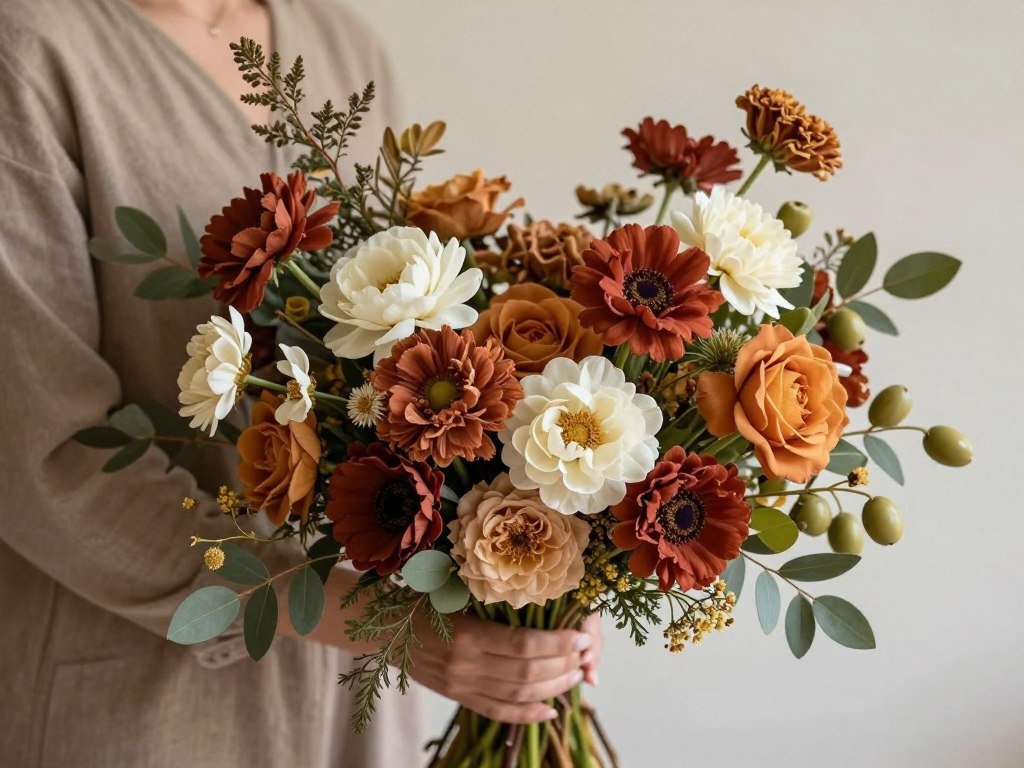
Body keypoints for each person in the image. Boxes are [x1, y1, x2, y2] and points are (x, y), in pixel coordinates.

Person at [0, 1, 601, 766]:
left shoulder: (342, 47)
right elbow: (41, 454)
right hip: (145, 695)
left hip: (360, 693)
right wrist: (378, 621)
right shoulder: (30, 50)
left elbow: (405, 355)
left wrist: (545, 585)